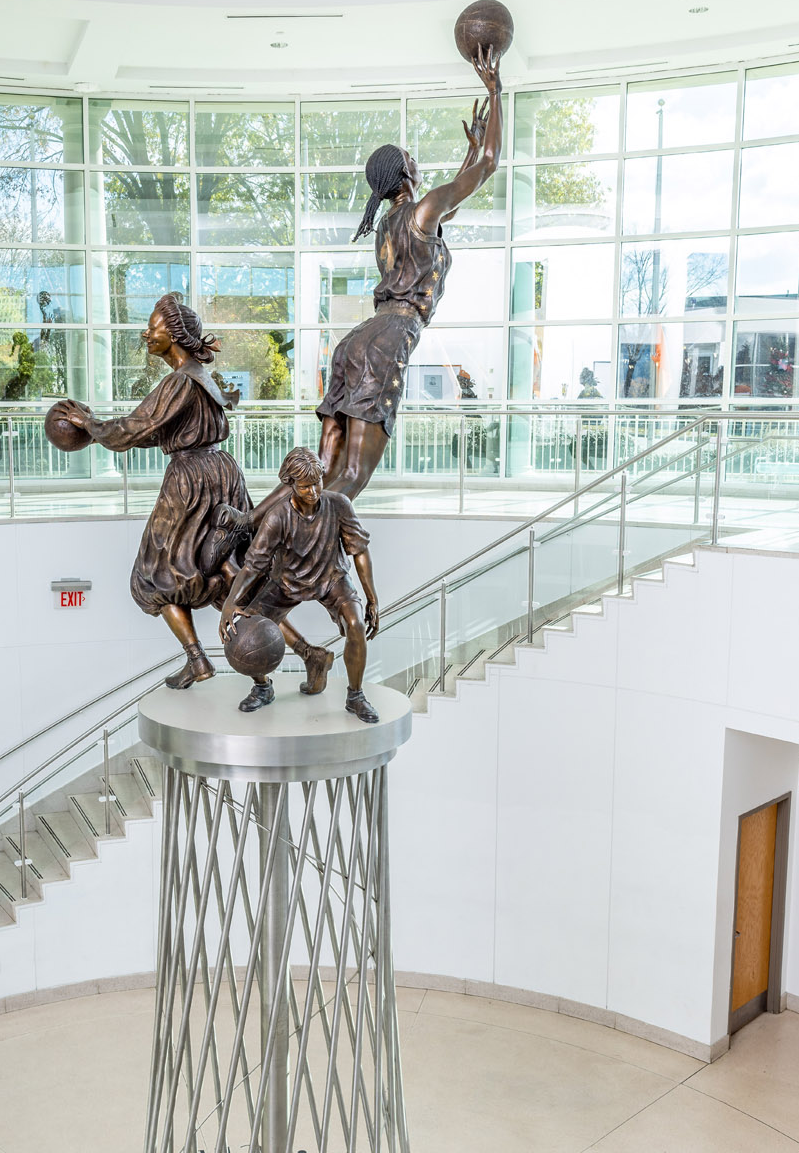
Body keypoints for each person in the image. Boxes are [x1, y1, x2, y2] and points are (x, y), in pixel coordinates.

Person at [243, 46, 503, 533]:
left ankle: (251, 521)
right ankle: (289, 538)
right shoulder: (422, 212)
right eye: (413, 161)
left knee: (322, 469)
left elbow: (461, 189)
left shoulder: (390, 223)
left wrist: (470, 152)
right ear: (406, 174)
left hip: (356, 340)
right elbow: (487, 165)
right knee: (353, 476)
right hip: (389, 338)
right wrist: (495, 90)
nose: (420, 167)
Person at [47, 295, 250, 689]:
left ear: (172, 335)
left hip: (190, 480)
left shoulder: (178, 381)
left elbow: (133, 429)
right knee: (225, 566)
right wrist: (98, 432)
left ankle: (199, 660)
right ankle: (281, 649)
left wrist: (91, 425)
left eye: (153, 327)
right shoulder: (198, 376)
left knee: (151, 577)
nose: (146, 333)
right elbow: (156, 432)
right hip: (222, 474)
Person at [219, 446, 381, 724]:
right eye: (305, 486)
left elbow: (360, 551)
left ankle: (355, 696)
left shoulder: (340, 504)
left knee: (355, 625)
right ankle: (262, 687)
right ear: (290, 484)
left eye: (317, 482)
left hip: (332, 578)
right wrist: (230, 605)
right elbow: (253, 565)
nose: (313, 491)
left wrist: (372, 598)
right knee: (244, 630)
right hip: (286, 582)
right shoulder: (277, 516)